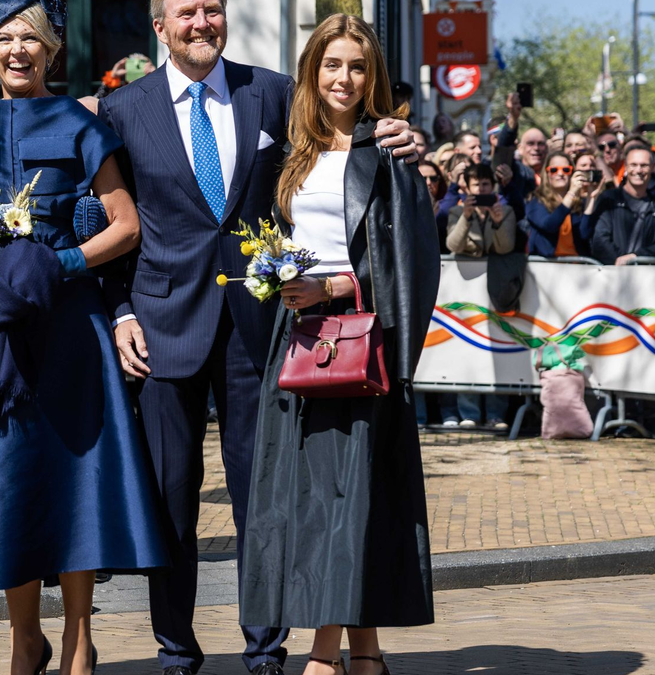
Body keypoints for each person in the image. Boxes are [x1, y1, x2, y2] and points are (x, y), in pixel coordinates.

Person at [96, 1, 417, 673]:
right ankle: (176, 650)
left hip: (264, 332)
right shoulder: (123, 111)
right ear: (159, 26)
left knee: (266, 498)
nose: (201, 22)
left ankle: (266, 649)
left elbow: (343, 138)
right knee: (169, 500)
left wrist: (400, 134)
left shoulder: (272, 92)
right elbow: (107, 221)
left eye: (212, 9)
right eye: (186, 12)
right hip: (161, 330)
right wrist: (121, 311)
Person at [0, 3, 166, 675]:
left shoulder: (82, 124)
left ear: (53, 51)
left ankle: (81, 637)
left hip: (69, 331)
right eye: (7, 39)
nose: (20, 49)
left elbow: (124, 225)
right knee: (8, 482)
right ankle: (24, 637)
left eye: (33, 38)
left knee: (76, 481)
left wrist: (59, 262)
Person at [239, 15, 438, 675]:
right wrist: (280, 279)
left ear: (372, 74)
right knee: (322, 501)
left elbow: (409, 260)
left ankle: (324, 655)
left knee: (345, 497)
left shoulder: (387, 152)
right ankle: (368, 654)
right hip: (294, 345)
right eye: (332, 65)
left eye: (357, 66)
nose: (344, 78)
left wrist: (331, 285)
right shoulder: (291, 153)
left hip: (359, 344)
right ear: (312, 71)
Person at [446, 162, 512, 429]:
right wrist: (466, 216)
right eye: (477, 185)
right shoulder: (455, 211)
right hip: (465, 292)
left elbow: (505, 247)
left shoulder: (505, 211)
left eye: (486, 185)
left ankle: (497, 412)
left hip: (495, 290)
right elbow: (453, 244)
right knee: (466, 350)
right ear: (467, 188)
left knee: (497, 348)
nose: (482, 189)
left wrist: (497, 223)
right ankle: (468, 412)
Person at [591, 147, 655, 265]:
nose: (638, 170)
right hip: (610, 274)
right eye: (633, 165)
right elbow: (599, 238)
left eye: (644, 165)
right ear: (626, 166)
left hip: (646, 277)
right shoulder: (608, 199)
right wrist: (619, 261)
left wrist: (637, 257)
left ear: (652, 167)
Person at [524, 151, 594, 258]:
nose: (560, 174)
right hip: (547, 268)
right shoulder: (535, 201)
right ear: (546, 174)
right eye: (554, 170)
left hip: (577, 266)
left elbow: (584, 234)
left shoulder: (579, 203)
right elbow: (549, 225)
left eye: (566, 170)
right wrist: (571, 193)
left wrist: (591, 197)